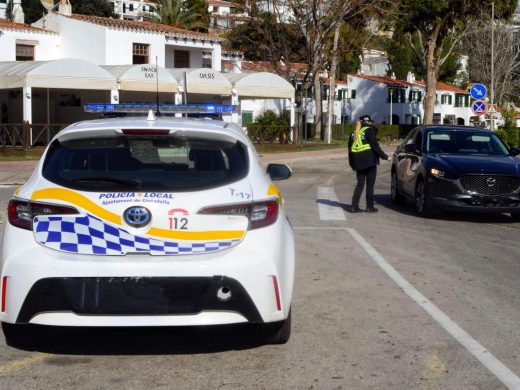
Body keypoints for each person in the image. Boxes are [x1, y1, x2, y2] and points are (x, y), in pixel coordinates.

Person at [348, 115, 391, 213]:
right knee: (370, 185)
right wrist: (386, 157)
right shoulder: (369, 131)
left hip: (358, 163)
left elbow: (350, 151)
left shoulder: (353, 134)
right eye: (370, 122)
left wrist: (352, 164)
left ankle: (354, 206)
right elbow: (375, 147)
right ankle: (369, 207)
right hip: (370, 162)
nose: (371, 123)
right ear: (367, 122)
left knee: (360, 184)